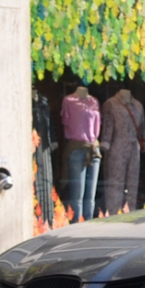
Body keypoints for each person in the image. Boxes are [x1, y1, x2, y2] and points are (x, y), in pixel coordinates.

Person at [96, 84, 145, 214]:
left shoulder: (138, 105)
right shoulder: (111, 104)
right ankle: (113, 212)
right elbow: (108, 124)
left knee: (133, 181)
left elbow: (142, 126)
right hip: (117, 144)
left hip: (134, 146)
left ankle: (131, 210)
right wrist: (106, 141)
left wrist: (144, 141)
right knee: (116, 181)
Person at [59, 80, 102, 218]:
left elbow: (98, 123)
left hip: (94, 149)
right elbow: (65, 121)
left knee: (91, 195)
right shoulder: (68, 101)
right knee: (77, 195)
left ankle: (89, 226)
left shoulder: (94, 101)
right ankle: (76, 227)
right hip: (77, 147)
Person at [29, 85, 58, 227]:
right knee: (33, 178)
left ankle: (47, 216)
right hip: (31, 144)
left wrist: (52, 140)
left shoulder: (43, 101)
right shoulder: (25, 101)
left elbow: (49, 123)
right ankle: (36, 216)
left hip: (44, 144)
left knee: (46, 178)